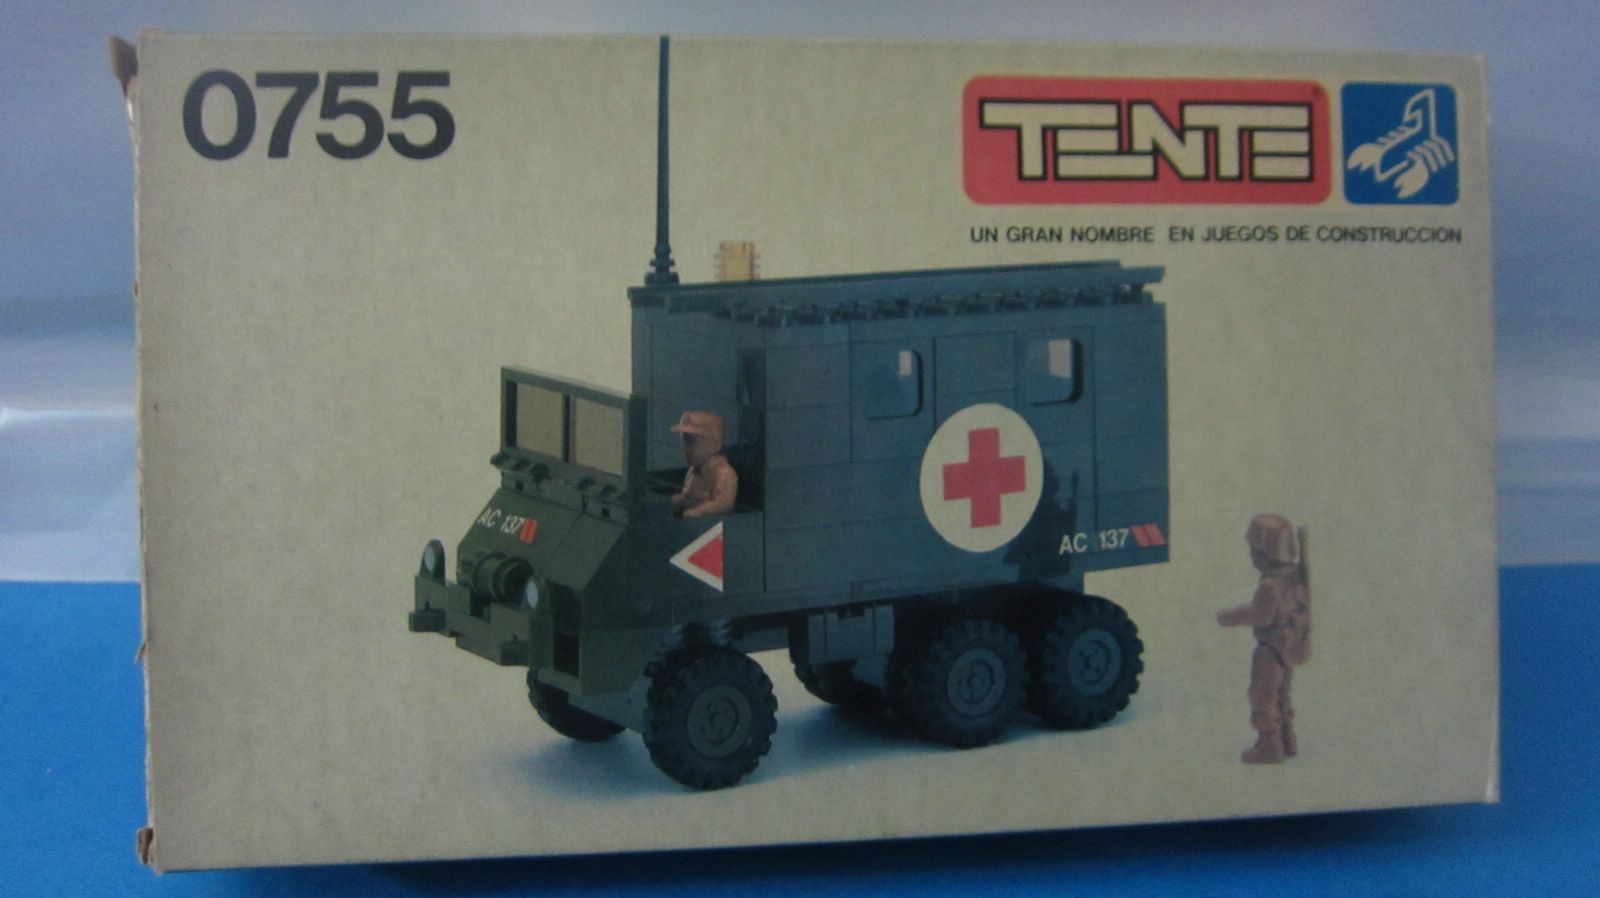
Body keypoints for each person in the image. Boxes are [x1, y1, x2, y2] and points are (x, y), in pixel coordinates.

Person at [1216, 513, 1310, 764]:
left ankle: (1269, 743)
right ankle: (1286, 738)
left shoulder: (1270, 586)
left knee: (1262, 695)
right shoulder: (1293, 577)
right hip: (1287, 647)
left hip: (1270, 649)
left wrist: (1227, 617)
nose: (1251, 555)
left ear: (1264, 552)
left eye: (1253, 550)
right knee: (1281, 693)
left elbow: (1260, 615)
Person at [670, 411, 737, 518]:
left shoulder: (723, 474)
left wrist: (696, 512)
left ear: (713, 443)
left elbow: (722, 504)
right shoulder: (693, 470)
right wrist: (667, 505)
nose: (684, 448)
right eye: (684, 441)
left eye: (690, 442)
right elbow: (686, 497)